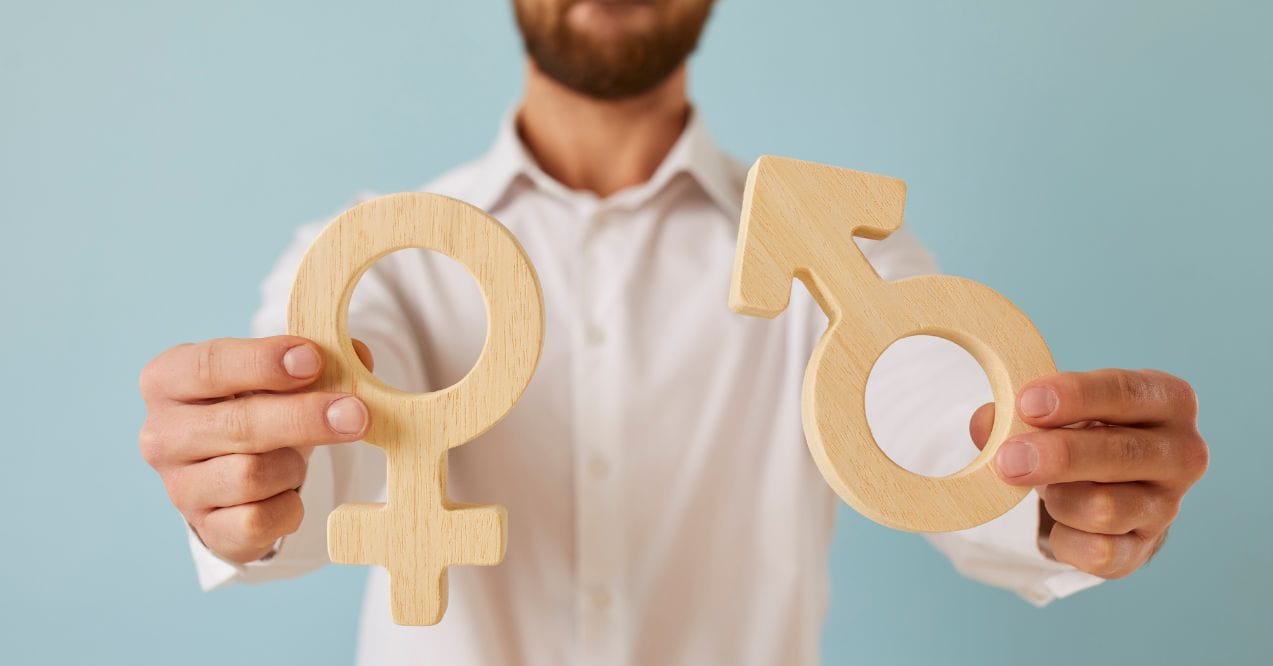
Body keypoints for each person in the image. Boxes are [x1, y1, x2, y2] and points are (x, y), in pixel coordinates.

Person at [137, 1, 1209, 664]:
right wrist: (253, 481)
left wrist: (1052, 485)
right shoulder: (372, 257)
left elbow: (929, 409)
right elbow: (324, 448)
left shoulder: (846, 254)